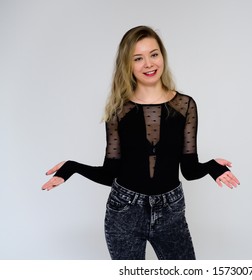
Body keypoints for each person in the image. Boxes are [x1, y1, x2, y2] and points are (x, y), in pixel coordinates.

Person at [42, 25, 240, 260]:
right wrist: (72, 167)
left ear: (162, 56)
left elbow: (189, 169)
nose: (149, 64)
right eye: (138, 58)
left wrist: (211, 168)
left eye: (154, 54)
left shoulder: (185, 106)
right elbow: (109, 173)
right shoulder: (119, 111)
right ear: (128, 65)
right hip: (124, 212)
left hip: (171, 212)